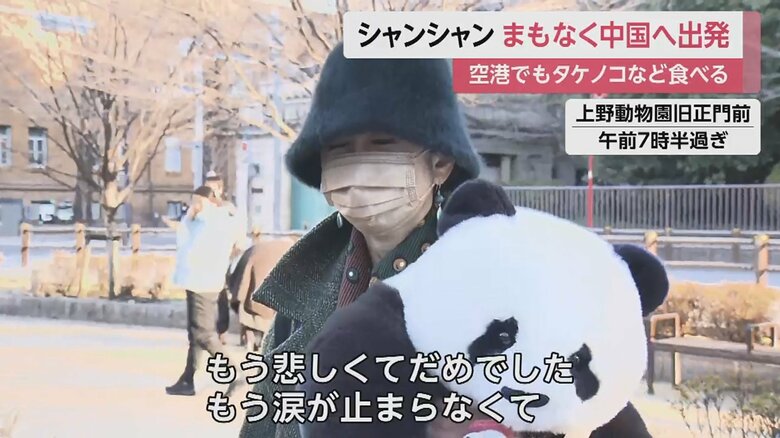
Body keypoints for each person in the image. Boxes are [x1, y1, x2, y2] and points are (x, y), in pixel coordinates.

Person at [238, 42, 483, 438]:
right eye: (340, 149)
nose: (359, 165)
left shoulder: (486, 282)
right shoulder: (303, 283)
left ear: (440, 162)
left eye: (383, 144)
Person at [165, 185, 245, 397]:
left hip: (203, 283)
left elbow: (193, 246)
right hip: (197, 282)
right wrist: (189, 218)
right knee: (195, 333)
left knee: (204, 335)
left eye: (199, 202)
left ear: (211, 202)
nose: (195, 206)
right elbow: (186, 241)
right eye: (193, 201)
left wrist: (189, 219)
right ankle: (187, 380)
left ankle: (236, 373)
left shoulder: (214, 221)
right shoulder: (204, 221)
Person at [204, 171, 241, 345]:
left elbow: (236, 232)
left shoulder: (228, 209)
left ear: (220, 189)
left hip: (223, 257)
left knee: (222, 295)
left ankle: (222, 330)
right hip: (206, 255)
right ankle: (206, 329)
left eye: (213, 189)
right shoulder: (203, 208)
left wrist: (234, 250)